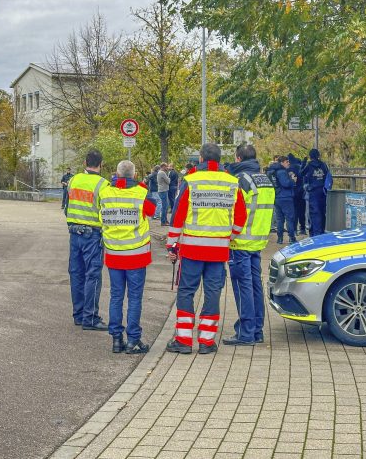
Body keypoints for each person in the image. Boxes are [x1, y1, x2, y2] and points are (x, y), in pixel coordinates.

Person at [165, 143, 246, 355]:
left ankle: (183, 340)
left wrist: (172, 244)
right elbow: (240, 218)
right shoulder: (232, 182)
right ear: (219, 160)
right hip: (218, 251)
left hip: (192, 249)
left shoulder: (191, 180)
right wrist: (230, 237)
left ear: (201, 158)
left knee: (186, 292)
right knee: (212, 293)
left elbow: (178, 214)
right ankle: (206, 341)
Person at [98, 160, 157, 354]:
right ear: (134, 174)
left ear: (116, 173)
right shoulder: (141, 192)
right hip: (136, 254)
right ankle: (133, 340)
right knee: (134, 298)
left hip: (114, 253)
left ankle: (116, 339)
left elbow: (101, 218)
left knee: (116, 296)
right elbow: (152, 210)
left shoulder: (105, 193)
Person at [225, 144, 274, 346]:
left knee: (242, 286)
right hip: (258, 240)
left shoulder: (241, 181)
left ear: (238, 159)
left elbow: (235, 211)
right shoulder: (265, 179)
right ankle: (257, 330)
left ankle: (246, 332)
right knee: (255, 285)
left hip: (240, 241)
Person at [64, 149, 108, 331]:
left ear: (85, 163)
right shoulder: (103, 184)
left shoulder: (73, 180)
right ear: (101, 164)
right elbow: (105, 211)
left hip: (74, 233)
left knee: (76, 274)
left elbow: (67, 206)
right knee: (93, 275)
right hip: (93, 235)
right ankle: (90, 318)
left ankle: (78, 314)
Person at [301, 148, 331, 236]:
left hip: (313, 191)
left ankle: (315, 233)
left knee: (314, 212)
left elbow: (301, 173)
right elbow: (327, 175)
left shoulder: (309, 165)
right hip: (323, 191)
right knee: (322, 212)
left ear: (310, 156)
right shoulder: (323, 165)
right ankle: (322, 231)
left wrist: (303, 163)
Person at [274, 156, 297, 245]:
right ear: (282, 163)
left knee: (280, 219)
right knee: (290, 218)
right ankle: (291, 238)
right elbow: (286, 183)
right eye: (287, 162)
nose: (288, 163)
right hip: (286, 198)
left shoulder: (275, 171)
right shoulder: (282, 172)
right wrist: (293, 180)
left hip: (277, 197)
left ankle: (280, 238)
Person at [287, 153, 306, 235]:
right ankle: (302, 228)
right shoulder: (299, 167)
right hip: (301, 192)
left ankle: (294, 230)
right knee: (302, 211)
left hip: (292, 193)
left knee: (293, 212)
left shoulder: (287, 169)